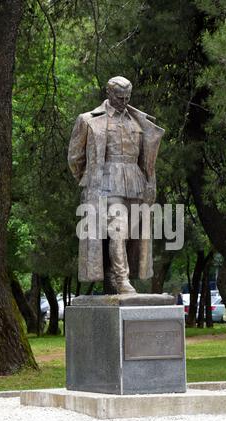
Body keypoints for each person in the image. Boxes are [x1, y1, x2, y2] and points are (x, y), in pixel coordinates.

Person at [68, 76, 165, 294]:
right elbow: (75, 158)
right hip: (106, 180)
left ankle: (117, 273)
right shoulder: (88, 120)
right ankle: (122, 280)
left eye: (127, 97)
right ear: (109, 93)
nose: (123, 101)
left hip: (135, 180)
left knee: (132, 235)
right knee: (118, 230)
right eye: (119, 97)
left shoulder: (138, 121)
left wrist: (150, 184)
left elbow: (147, 159)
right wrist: (92, 179)